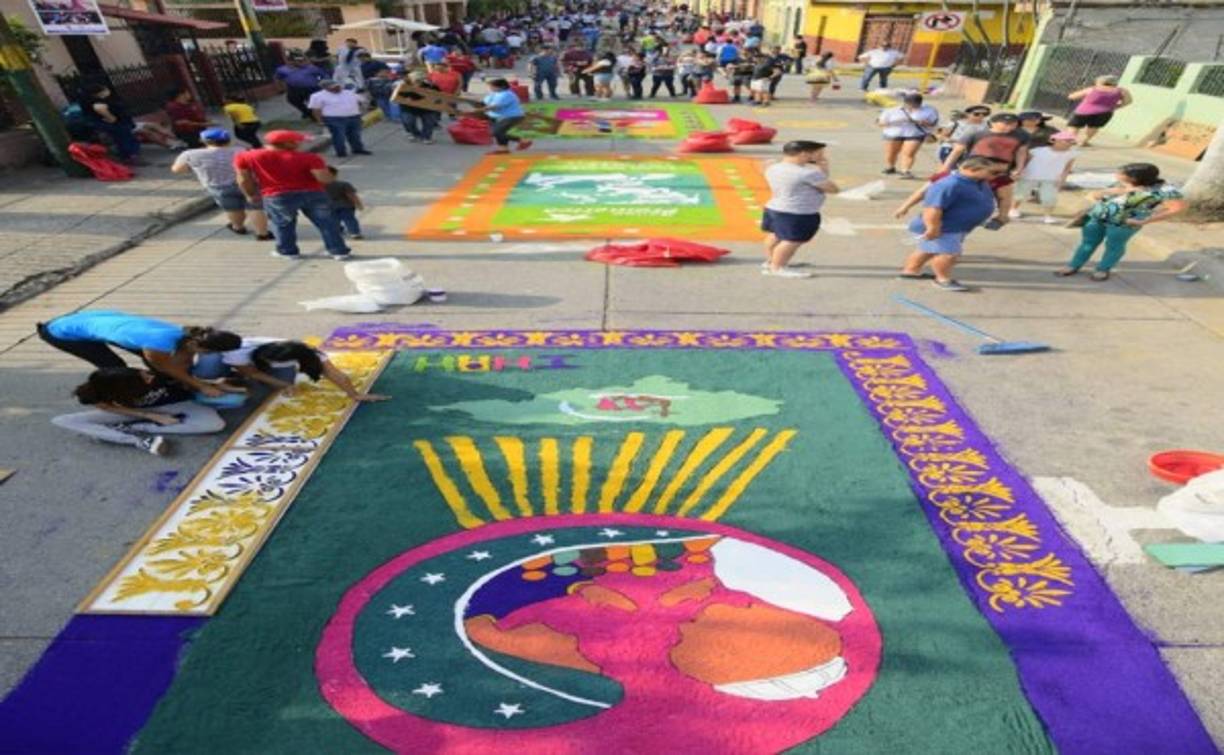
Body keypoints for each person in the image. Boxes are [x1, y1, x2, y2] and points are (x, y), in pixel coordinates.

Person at [37, 310, 244, 397]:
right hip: (62, 332)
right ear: (198, 345)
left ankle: (170, 385)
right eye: (209, 353)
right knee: (115, 367)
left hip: (98, 322)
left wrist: (195, 381)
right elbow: (168, 365)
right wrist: (200, 385)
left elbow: (184, 358)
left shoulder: (189, 337)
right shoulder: (158, 343)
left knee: (163, 367)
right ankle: (123, 395)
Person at [52, 367, 227, 456]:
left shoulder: (152, 373)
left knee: (215, 424)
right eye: (143, 378)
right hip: (133, 411)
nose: (148, 376)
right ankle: (135, 439)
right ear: (126, 387)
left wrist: (213, 385)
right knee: (64, 420)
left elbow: (188, 379)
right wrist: (151, 415)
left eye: (144, 374)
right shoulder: (98, 391)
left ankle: (144, 428)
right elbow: (107, 407)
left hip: (177, 405)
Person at [1056, 163, 1185, 281]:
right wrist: (1100, 195)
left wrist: (1145, 221)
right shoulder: (1119, 184)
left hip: (1124, 224)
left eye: (1121, 173)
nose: (1117, 175)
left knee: (1114, 246)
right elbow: (1095, 195)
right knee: (1087, 243)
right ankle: (1073, 265)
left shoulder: (1162, 191)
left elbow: (1176, 208)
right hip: (1096, 218)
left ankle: (1103, 269)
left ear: (1135, 178)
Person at [234, 130, 350, 260]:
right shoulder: (310, 158)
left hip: (277, 195)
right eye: (298, 141)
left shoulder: (246, 156)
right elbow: (324, 179)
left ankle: (288, 252)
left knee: (282, 224)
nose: (301, 143)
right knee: (327, 223)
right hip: (313, 194)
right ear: (288, 143)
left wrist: (249, 194)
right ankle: (338, 251)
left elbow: (243, 179)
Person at [896, 156, 1007, 292]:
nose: (996, 176)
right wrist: (932, 228)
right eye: (992, 173)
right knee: (948, 254)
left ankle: (910, 271)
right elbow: (932, 208)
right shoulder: (948, 185)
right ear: (972, 169)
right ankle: (942, 279)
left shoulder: (978, 181)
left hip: (955, 226)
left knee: (927, 250)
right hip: (943, 227)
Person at [208, 339, 390, 401]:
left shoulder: (308, 353)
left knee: (280, 387)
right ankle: (222, 378)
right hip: (230, 361)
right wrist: (282, 384)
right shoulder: (240, 352)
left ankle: (232, 381)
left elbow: (335, 374)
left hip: (256, 367)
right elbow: (253, 372)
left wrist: (354, 394)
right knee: (255, 391)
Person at [171, 127, 271, 239]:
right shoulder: (240, 150)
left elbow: (178, 169)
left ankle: (238, 227)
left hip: (218, 186)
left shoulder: (190, 154)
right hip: (246, 183)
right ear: (228, 140)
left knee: (233, 208)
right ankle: (262, 233)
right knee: (255, 207)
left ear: (204, 141)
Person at [760, 140, 839, 279]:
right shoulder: (807, 173)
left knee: (775, 236)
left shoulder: (773, 167)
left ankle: (771, 261)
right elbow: (832, 189)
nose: (822, 156)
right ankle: (777, 267)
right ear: (804, 154)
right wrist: (823, 169)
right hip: (797, 213)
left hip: (774, 207)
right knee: (792, 241)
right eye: (819, 153)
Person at [939, 112, 1028, 220]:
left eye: (1013, 124)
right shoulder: (976, 133)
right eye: (1005, 123)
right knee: (964, 193)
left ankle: (1002, 217)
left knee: (1004, 196)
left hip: (1000, 171)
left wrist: (1019, 168)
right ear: (993, 123)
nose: (1009, 127)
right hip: (974, 170)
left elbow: (1021, 153)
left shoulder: (1022, 136)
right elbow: (957, 151)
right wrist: (945, 167)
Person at [1011, 131, 1078, 223]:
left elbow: (1067, 168)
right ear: (1054, 141)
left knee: (1049, 197)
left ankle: (1048, 216)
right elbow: (1025, 162)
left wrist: (1063, 179)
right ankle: (1013, 209)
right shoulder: (1037, 151)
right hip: (1029, 175)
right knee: (1021, 193)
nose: (1069, 144)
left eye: (1071, 141)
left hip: (1052, 178)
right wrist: (1018, 172)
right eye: (1066, 141)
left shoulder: (1072, 154)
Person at [877, 93, 938, 178]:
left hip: (915, 134)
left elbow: (933, 123)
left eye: (916, 104)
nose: (913, 106)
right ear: (905, 103)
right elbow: (880, 123)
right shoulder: (892, 110)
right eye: (911, 104)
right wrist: (896, 122)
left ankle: (905, 171)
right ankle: (891, 167)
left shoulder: (929, 110)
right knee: (891, 153)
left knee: (909, 153)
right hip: (893, 134)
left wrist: (922, 122)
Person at [78, 82, 140, 162]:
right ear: (97, 93)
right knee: (122, 133)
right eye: (104, 90)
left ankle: (129, 153)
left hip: (114, 122)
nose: (107, 91)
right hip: (109, 123)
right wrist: (111, 118)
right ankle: (129, 154)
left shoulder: (103, 100)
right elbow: (104, 113)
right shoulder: (96, 103)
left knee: (123, 133)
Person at [308, 79, 370, 158]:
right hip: (334, 119)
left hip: (353, 117)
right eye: (333, 87)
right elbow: (316, 109)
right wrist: (319, 121)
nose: (337, 88)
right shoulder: (317, 96)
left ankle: (358, 149)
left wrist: (361, 111)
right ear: (325, 88)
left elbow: (362, 101)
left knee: (355, 135)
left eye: (337, 86)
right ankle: (341, 152)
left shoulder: (348, 92)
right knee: (339, 136)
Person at [1066, 75, 1132, 147]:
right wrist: (1116, 106)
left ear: (1101, 82)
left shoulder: (1092, 89)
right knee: (1094, 127)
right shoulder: (1122, 91)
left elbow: (1072, 97)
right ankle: (1083, 142)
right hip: (1105, 113)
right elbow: (1128, 101)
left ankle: (1069, 140)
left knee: (1074, 126)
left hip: (1084, 111)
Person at [475, 78, 533, 153]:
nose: (490, 88)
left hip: (512, 116)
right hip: (498, 117)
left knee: (496, 132)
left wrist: (479, 110)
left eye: (492, 87)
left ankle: (523, 140)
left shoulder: (506, 94)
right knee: (500, 132)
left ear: (501, 87)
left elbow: (495, 106)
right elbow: (483, 102)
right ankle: (503, 149)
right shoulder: (495, 94)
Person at [393, 70, 441, 144]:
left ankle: (426, 137)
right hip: (408, 108)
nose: (417, 81)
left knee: (429, 122)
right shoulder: (403, 86)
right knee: (408, 122)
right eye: (415, 80)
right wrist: (406, 97)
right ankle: (416, 134)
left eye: (419, 80)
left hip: (426, 108)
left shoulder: (431, 86)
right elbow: (397, 96)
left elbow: (440, 96)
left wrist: (434, 101)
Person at [325, 165, 364, 239]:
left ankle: (337, 231)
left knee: (333, 220)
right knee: (349, 219)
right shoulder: (344, 184)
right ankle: (354, 233)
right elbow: (351, 195)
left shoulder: (319, 186)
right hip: (346, 206)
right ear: (335, 175)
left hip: (329, 206)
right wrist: (358, 204)